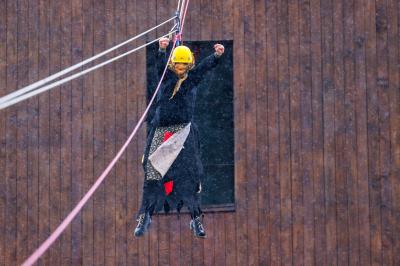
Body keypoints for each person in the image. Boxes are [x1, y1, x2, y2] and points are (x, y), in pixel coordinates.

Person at [134, 37, 225, 238]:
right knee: (152, 174)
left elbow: (204, 68)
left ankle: (196, 218)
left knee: (191, 176)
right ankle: (145, 216)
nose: (181, 68)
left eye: (185, 65)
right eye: (178, 65)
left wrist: (217, 56)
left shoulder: (192, 78)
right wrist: (161, 49)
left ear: (189, 64)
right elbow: (160, 65)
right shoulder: (166, 77)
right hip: (162, 131)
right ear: (173, 64)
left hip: (182, 133)